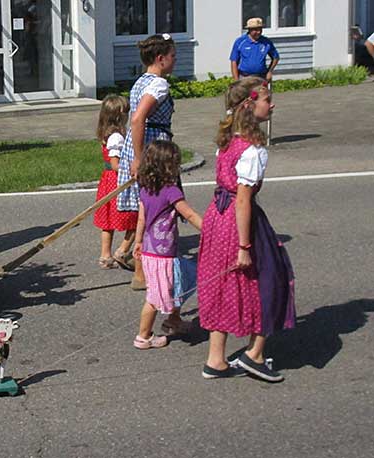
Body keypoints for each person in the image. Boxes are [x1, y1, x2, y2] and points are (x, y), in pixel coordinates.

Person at [197, 77, 296, 381]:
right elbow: (243, 200)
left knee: (224, 284)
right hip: (239, 221)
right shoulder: (253, 150)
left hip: (217, 216)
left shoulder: (228, 142)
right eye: (268, 99)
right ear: (251, 105)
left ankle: (216, 359)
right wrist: (244, 246)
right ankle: (254, 354)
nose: (272, 104)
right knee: (273, 278)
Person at [117, 33, 177, 290]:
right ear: (161, 59)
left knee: (148, 207)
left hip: (143, 143)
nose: (176, 60)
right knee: (156, 207)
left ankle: (139, 263)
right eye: (173, 56)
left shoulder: (142, 80)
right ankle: (142, 271)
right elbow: (138, 118)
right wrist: (140, 159)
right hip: (153, 148)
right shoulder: (158, 85)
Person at [132, 140, 202, 349]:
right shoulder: (171, 191)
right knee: (154, 297)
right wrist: (211, 230)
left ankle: (174, 319)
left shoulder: (146, 190)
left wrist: (137, 241)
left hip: (150, 250)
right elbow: (188, 214)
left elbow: (141, 219)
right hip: (163, 255)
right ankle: (143, 336)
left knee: (182, 279)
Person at [93, 95, 137, 269]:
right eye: (126, 112)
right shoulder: (116, 137)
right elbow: (115, 164)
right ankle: (122, 251)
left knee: (108, 219)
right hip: (117, 180)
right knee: (136, 216)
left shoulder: (106, 134)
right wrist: (132, 171)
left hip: (108, 180)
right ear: (120, 116)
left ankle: (105, 255)